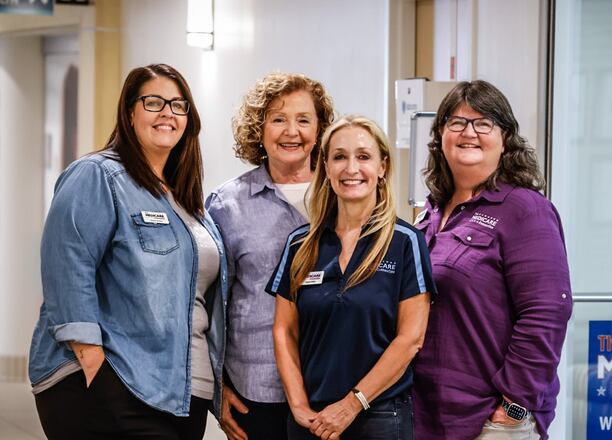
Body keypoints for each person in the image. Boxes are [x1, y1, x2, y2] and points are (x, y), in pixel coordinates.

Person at [28, 63, 228, 440]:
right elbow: (68, 267)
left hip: (183, 393)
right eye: (154, 102)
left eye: (179, 105)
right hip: (114, 386)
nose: (168, 112)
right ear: (130, 112)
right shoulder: (98, 175)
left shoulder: (186, 201)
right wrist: (94, 367)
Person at [411, 80, 572, 440]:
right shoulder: (431, 214)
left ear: (505, 139)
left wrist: (512, 408)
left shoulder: (525, 210)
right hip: (428, 416)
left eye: (484, 123)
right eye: (456, 122)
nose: (469, 132)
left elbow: (547, 313)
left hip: (489, 422)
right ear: (441, 135)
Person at [267, 115, 436, 440]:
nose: (351, 168)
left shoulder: (404, 241)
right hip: (311, 421)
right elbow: (283, 330)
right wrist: (299, 406)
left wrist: (353, 403)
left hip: (379, 417)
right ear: (326, 167)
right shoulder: (301, 244)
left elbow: (410, 338)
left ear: (382, 166)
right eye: (340, 157)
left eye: (363, 156)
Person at [206, 73, 334, 440]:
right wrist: (219, 386)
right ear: (258, 129)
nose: (291, 131)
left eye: (303, 119)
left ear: (320, 128)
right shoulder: (227, 205)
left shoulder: (344, 194)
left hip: (332, 384)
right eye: (278, 119)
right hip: (256, 387)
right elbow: (212, 302)